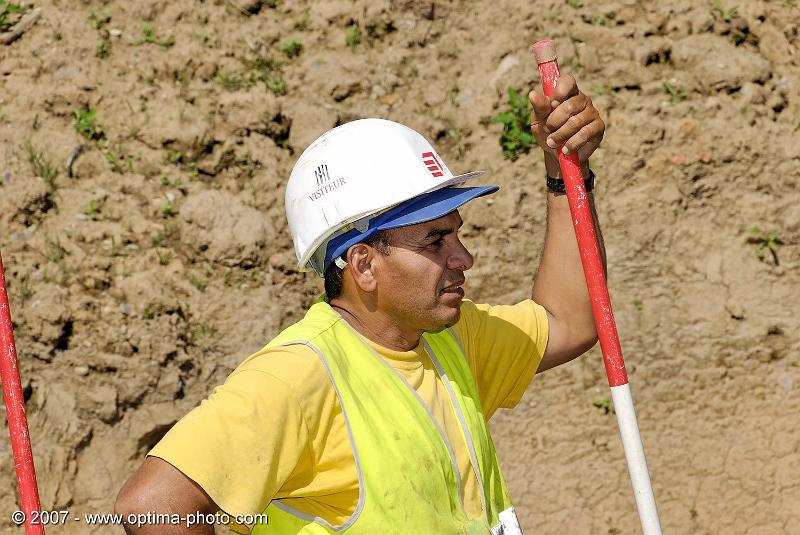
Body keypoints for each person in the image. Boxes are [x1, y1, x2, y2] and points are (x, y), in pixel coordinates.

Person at [115, 74, 605, 534]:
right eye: (435, 241)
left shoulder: (450, 340)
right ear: (364, 264)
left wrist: (568, 172)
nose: (464, 257)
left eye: (457, 233)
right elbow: (150, 508)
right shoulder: (298, 376)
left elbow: (571, 322)